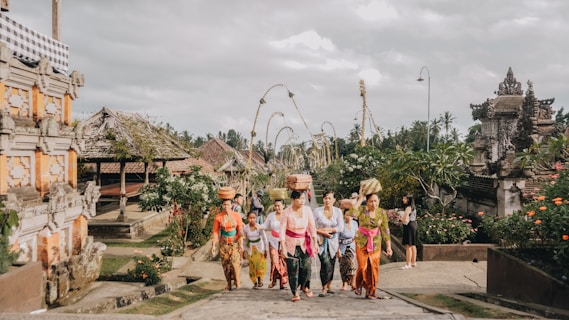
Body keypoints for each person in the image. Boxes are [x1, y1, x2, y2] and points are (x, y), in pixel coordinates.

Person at [348, 187, 393, 300]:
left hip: (375, 243)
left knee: (373, 268)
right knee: (363, 266)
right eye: (371, 201)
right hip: (361, 241)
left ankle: (370, 292)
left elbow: (385, 230)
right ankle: (358, 285)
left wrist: (388, 247)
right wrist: (360, 198)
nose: (373, 203)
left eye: (375, 201)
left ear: (379, 201)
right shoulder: (362, 210)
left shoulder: (382, 212)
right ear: (367, 202)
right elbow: (351, 213)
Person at [280, 190, 318, 302]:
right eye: (299, 198)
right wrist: (283, 247)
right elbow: (282, 230)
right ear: (293, 199)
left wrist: (315, 242)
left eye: (303, 198)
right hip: (290, 244)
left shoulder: (307, 210)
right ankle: (295, 292)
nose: (302, 201)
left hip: (304, 243)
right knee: (293, 269)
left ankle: (305, 286)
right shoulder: (286, 212)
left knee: (306, 267)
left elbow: (312, 227)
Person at [312, 191, 344, 297]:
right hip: (321, 241)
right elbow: (311, 226)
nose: (327, 200)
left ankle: (329, 285)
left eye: (330, 198)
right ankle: (324, 287)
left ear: (334, 200)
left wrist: (330, 229)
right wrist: (321, 232)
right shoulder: (317, 211)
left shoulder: (338, 211)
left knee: (331, 263)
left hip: (333, 241)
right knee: (325, 263)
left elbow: (341, 227)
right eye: (326, 198)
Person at [211, 198, 244, 291]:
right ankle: (228, 284)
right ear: (222, 206)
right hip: (223, 244)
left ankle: (237, 281)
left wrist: (241, 243)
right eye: (224, 205)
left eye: (228, 205)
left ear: (231, 206)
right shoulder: (218, 217)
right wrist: (213, 245)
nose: (226, 207)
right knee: (226, 264)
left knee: (235, 263)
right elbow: (215, 232)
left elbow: (240, 230)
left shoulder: (237, 216)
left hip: (234, 243)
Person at [261, 199, 288, 289]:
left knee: (283, 262)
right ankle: (274, 280)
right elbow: (265, 225)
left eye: (279, 206)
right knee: (275, 261)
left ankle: (281, 282)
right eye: (275, 206)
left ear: (283, 206)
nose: (277, 208)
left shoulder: (287, 215)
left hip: (284, 241)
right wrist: (258, 226)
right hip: (273, 241)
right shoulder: (271, 216)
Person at [243, 211, 269, 288]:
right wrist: (244, 250)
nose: (252, 219)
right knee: (252, 266)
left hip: (259, 248)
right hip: (250, 249)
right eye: (250, 218)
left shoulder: (259, 227)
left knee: (260, 265)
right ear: (247, 218)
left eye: (254, 218)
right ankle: (254, 282)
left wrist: (266, 250)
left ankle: (260, 279)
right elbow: (245, 240)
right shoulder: (245, 228)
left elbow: (264, 239)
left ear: (256, 218)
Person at [338, 208, 358, 291]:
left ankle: (353, 283)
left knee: (352, 264)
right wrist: (338, 250)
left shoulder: (355, 223)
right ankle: (344, 283)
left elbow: (357, 235)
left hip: (352, 247)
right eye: (347, 215)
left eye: (350, 215)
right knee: (343, 267)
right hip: (342, 247)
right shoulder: (341, 224)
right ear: (344, 215)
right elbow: (336, 237)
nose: (348, 217)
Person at [400, 194, 418, 269]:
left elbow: (404, 219)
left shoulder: (408, 208)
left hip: (408, 226)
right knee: (413, 245)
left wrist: (399, 218)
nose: (403, 200)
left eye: (404, 199)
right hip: (414, 224)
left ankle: (408, 263)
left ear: (408, 200)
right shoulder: (413, 207)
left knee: (408, 245)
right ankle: (413, 262)